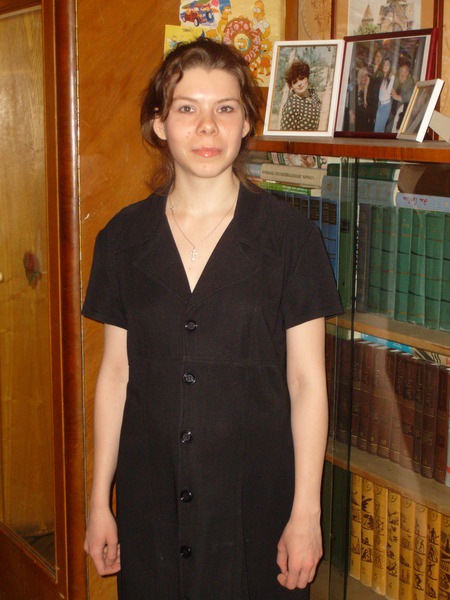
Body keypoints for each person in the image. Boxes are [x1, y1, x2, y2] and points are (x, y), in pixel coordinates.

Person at [82, 37, 342, 600]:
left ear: (246, 123)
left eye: (225, 108)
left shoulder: (291, 239)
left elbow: (307, 382)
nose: (207, 127)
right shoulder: (121, 238)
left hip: (255, 504)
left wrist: (306, 512)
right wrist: (100, 501)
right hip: (151, 501)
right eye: (187, 108)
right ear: (159, 124)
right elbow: (115, 376)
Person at [280, 60, 322, 131]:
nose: (299, 84)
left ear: (307, 78)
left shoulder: (313, 94)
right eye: (295, 82)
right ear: (291, 86)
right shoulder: (291, 106)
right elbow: (285, 134)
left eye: (301, 78)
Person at [386, 61, 416, 133]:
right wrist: (389, 78)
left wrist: (397, 96)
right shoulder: (396, 79)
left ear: (408, 73)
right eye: (401, 70)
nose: (402, 73)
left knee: (390, 129)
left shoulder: (410, 82)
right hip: (390, 109)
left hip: (400, 111)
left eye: (404, 71)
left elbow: (409, 96)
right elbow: (387, 89)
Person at [374, 56, 395, 132]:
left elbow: (389, 92)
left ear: (390, 67)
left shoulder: (391, 77)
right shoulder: (383, 77)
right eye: (384, 64)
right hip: (380, 105)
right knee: (377, 129)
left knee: (379, 129)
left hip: (385, 106)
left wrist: (391, 76)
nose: (385, 66)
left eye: (387, 64)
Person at [348, 66, 372, 132]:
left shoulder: (369, 89)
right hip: (354, 115)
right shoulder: (355, 87)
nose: (365, 78)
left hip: (364, 118)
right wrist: (351, 113)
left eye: (366, 76)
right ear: (360, 77)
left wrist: (366, 87)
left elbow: (366, 103)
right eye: (363, 76)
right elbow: (350, 101)